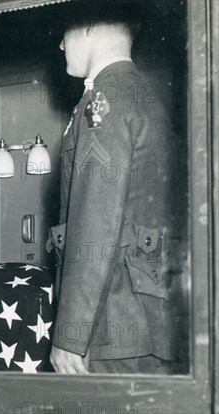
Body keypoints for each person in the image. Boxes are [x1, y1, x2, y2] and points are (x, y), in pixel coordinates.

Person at [48, 2, 177, 374]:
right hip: (146, 320)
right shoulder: (143, 96)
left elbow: (95, 221)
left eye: (65, 32)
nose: (60, 45)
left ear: (87, 23)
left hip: (113, 326)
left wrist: (71, 336)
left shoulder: (103, 103)